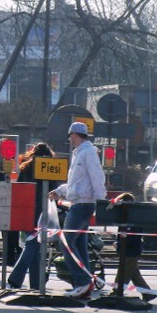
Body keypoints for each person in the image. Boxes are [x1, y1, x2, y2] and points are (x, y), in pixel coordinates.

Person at [48, 122, 106, 299]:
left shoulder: (87, 153)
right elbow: (78, 183)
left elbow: (97, 177)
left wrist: (101, 200)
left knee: (65, 242)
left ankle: (82, 282)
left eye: (70, 135)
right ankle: (86, 282)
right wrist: (59, 192)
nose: (69, 139)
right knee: (79, 244)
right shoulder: (81, 153)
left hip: (82, 205)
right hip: (80, 203)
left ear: (74, 134)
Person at [8, 142, 59, 289]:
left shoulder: (25, 166)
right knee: (32, 245)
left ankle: (36, 284)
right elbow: (53, 189)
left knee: (35, 247)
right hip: (41, 212)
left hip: (26, 210)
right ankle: (16, 277)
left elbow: (18, 187)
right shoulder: (50, 167)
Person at [107, 193, 152, 300]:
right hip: (131, 249)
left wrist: (120, 244)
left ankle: (117, 290)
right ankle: (147, 293)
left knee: (123, 271)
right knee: (134, 274)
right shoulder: (131, 215)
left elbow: (131, 236)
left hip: (130, 250)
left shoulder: (130, 217)